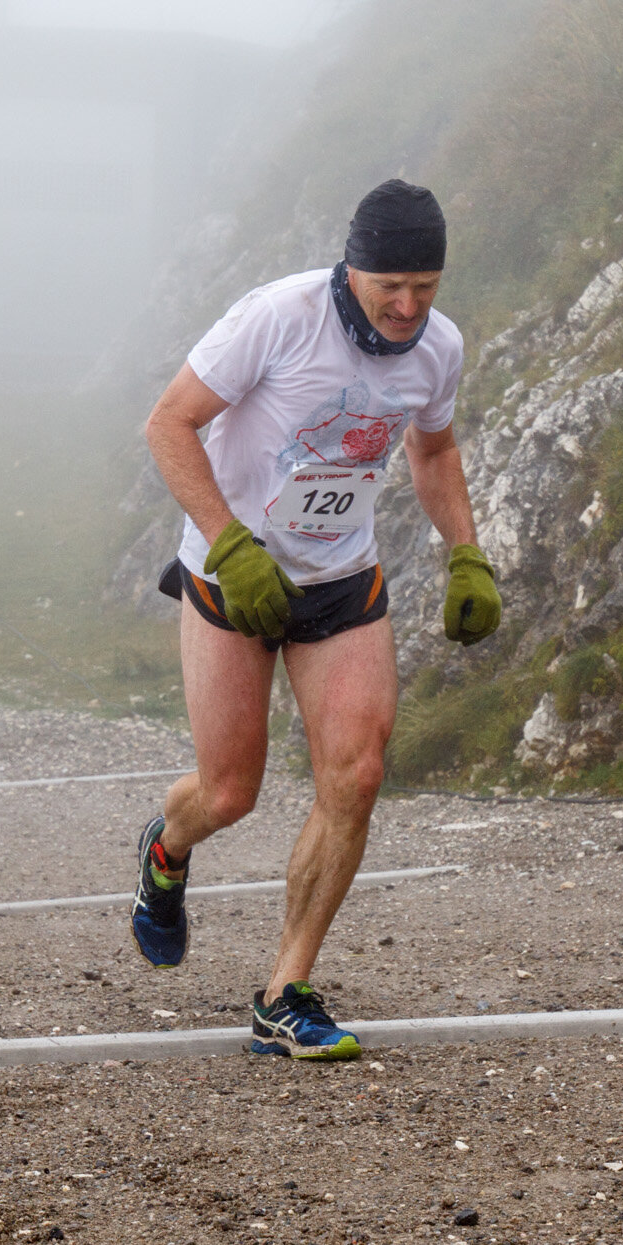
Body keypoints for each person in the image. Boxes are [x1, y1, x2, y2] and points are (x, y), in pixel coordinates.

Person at [133, 179, 502, 1060]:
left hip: (340, 579)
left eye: (427, 287)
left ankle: (284, 991)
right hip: (235, 577)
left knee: (358, 774)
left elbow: (435, 447)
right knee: (230, 792)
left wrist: (467, 553)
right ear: (353, 270)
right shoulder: (279, 317)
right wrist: (228, 545)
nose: (409, 308)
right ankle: (166, 848)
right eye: (391, 290)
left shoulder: (438, 348)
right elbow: (169, 425)